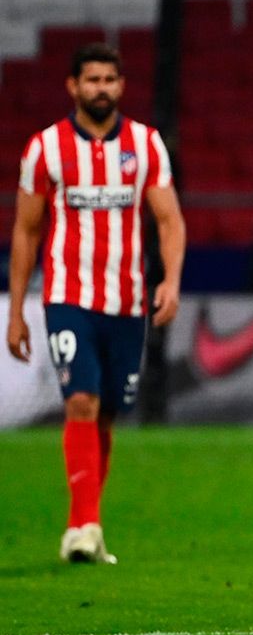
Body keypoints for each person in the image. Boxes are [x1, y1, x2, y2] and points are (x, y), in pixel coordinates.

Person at [7, 42, 186, 565]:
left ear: (121, 86)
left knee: (105, 414)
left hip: (127, 300)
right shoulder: (45, 147)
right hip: (67, 296)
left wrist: (171, 280)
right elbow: (26, 229)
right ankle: (81, 526)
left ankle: (88, 522)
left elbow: (170, 219)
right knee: (80, 402)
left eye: (110, 79)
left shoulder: (146, 145)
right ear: (72, 86)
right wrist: (17, 309)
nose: (101, 88)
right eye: (92, 80)